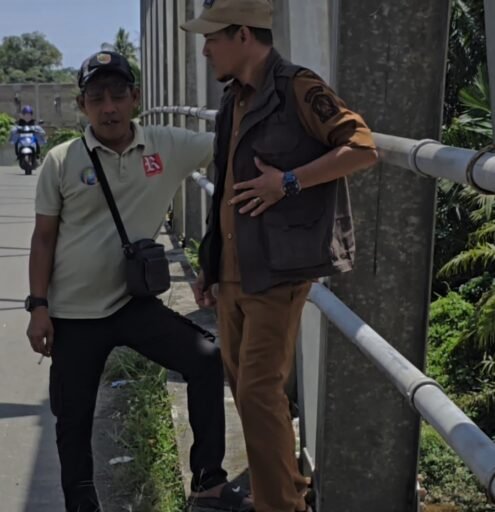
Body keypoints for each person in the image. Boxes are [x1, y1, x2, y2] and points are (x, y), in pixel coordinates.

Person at [26, 51, 252, 512]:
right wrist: (38, 306)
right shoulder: (61, 160)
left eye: (117, 95)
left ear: (136, 97)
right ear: (81, 105)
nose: (108, 108)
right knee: (73, 418)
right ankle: (82, 504)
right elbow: (43, 238)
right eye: (96, 98)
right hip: (72, 314)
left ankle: (208, 483)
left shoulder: (166, 145)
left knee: (206, 359)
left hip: (132, 305)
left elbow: (233, 142)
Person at [182, 1, 379, 511]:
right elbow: (224, 186)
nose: (205, 51)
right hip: (232, 270)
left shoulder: (297, 87)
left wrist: (288, 181)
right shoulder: (233, 98)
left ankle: (281, 506)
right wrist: (208, 263)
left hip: (277, 269)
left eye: (212, 39)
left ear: (243, 35)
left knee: (257, 391)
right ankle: (289, 491)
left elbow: (361, 147)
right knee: (246, 391)